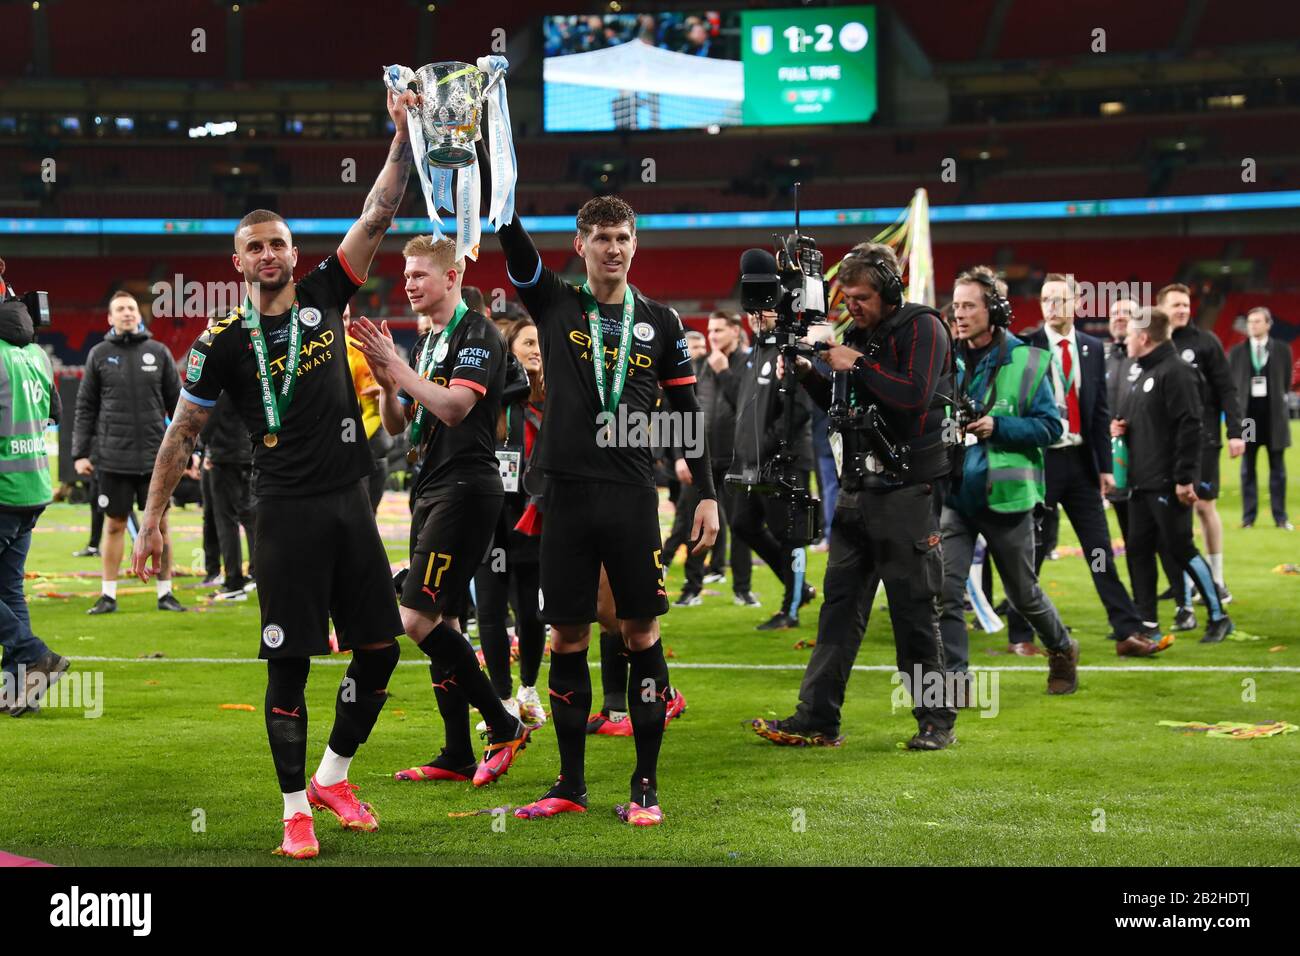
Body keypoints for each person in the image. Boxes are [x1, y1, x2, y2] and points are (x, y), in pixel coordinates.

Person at [133, 90, 440, 860]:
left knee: (380, 652)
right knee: (290, 665)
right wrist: (153, 514)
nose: (269, 255)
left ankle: (335, 775)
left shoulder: (328, 295)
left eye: (279, 244)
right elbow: (183, 432)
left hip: (351, 504)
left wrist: (402, 137)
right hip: (286, 514)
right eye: (255, 247)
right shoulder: (220, 341)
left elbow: (376, 212)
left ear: (293, 254)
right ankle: (295, 807)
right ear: (236, 262)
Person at [493, 189, 719, 825]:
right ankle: (569, 784)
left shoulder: (664, 322)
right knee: (566, 634)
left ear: (635, 244)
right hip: (563, 494)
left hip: (629, 497)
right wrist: (497, 181)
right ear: (581, 245)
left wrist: (704, 492)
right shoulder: (556, 301)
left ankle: (645, 787)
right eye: (601, 238)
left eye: (623, 238)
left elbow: (685, 412)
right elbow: (513, 243)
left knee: (640, 631)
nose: (613, 248)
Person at [750, 243, 958, 750]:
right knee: (837, 611)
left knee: (915, 611)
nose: (853, 306)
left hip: (907, 491)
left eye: (863, 296)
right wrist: (809, 377)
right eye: (848, 297)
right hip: (856, 489)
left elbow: (913, 394)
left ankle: (938, 721)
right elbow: (841, 405)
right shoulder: (857, 336)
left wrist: (855, 363)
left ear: (889, 290)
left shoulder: (924, 327)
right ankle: (817, 716)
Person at [350, 235, 531, 787]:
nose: (407, 283)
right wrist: (387, 382)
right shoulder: (428, 340)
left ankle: (503, 724)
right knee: (445, 620)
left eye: (420, 275)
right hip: (430, 486)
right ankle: (456, 752)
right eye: (405, 274)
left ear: (452, 278)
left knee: (415, 618)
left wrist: (396, 368)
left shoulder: (477, 332)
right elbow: (403, 423)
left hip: (465, 488)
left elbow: (454, 408)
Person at [938, 268, 1081, 692]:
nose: (959, 314)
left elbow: (1051, 428)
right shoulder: (946, 357)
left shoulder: (1032, 360)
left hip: (1008, 496)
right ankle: (955, 685)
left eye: (968, 306)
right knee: (945, 593)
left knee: (1023, 594)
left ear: (994, 310)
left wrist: (996, 427)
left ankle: (1061, 647)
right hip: (955, 494)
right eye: (956, 306)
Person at [1007, 275, 1160, 656]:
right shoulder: (1026, 347)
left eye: (1060, 299)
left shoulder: (1093, 348)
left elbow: (1099, 413)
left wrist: (1106, 467)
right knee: (1034, 550)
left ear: (1076, 303)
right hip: (1040, 462)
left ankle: (1126, 632)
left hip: (1080, 463)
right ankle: (1019, 635)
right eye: (1046, 299)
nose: (1052, 306)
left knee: (1099, 550)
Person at [1112, 307, 1234, 643]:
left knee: (1180, 547)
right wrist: (1120, 426)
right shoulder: (1142, 372)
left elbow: (1190, 426)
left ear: (1145, 337)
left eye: (1131, 333)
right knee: (1137, 549)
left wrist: (1184, 478)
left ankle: (1218, 615)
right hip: (1140, 481)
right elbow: (1145, 421)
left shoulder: (1177, 371)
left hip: (1166, 481)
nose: (1125, 338)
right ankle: (1146, 622)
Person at [73, 291, 186, 615]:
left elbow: (180, 409)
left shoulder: (158, 352)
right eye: (120, 309)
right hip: (113, 458)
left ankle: (165, 593)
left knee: (161, 525)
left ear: (139, 315)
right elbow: (85, 407)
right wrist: (80, 453)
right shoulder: (98, 354)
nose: (126, 313)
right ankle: (108, 595)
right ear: (110, 318)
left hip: (156, 458)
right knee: (113, 525)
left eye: (131, 308)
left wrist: (189, 451)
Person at [471, 317, 549, 731]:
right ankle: (501, 700)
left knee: (532, 612)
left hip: (535, 519)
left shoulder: (554, 400)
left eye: (540, 343)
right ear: (510, 351)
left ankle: (529, 690)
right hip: (492, 516)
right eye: (527, 343)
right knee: (490, 608)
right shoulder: (495, 400)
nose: (536, 349)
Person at [0, 284, 69, 716]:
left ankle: (33, 653)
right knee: (9, 589)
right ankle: (16, 690)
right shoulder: (36, 354)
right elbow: (54, 414)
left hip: (2, 488)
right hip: (32, 488)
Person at [726, 309, 817, 630]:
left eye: (764, 311)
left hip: (785, 460)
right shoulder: (757, 352)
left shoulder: (789, 350)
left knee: (791, 534)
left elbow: (801, 409)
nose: (755, 317)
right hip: (754, 460)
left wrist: (768, 442)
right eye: (752, 311)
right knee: (742, 523)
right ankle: (799, 587)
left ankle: (789, 611)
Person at [1160, 283, 1244, 608]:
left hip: (1203, 440)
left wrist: (1236, 431)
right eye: (1175, 305)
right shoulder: (1157, 343)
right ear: (1163, 309)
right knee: (1168, 511)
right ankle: (1182, 582)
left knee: (1203, 506)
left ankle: (1217, 578)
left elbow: (1228, 389)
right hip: (1164, 443)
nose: (1182, 309)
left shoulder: (1206, 342)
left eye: (1185, 304)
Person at [1228, 307, 1292, 530]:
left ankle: (1280, 517)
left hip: (1274, 417)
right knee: (1248, 469)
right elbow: (1232, 386)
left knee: (1278, 469)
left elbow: (1286, 382)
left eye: (1257, 321)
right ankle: (1248, 518)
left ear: (1268, 324)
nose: (1252, 325)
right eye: (1250, 322)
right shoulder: (1236, 352)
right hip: (1249, 420)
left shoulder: (1282, 350)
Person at [343, 306, 390, 512]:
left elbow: (372, 410)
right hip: (315, 451)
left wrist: (350, 441)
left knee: (361, 516)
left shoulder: (355, 351)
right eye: (338, 317)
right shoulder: (298, 350)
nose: (343, 324)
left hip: (353, 447)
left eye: (346, 317)